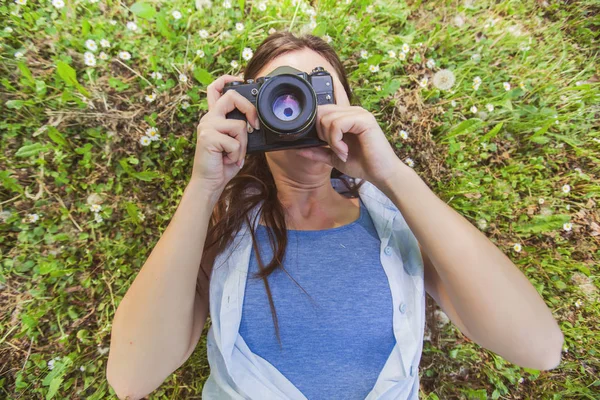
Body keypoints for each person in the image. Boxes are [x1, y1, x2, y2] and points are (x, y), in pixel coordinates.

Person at [106, 32, 563, 400]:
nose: (298, 109)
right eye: (280, 96)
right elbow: (131, 377)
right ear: (249, 114)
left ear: (349, 110)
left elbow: (539, 348)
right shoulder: (224, 224)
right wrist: (204, 186)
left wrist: (390, 174)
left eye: (317, 91)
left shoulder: (395, 219)